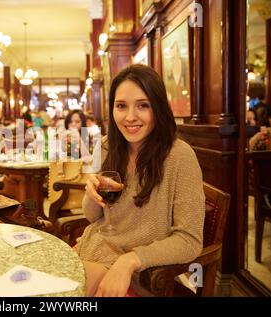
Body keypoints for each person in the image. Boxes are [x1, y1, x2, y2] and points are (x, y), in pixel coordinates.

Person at [77, 64, 205, 297]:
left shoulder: (179, 156)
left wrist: (130, 261)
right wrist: (91, 193)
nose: (130, 117)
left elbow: (189, 241)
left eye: (143, 106)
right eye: (121, 106)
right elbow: (92, 216)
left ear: (158, 107)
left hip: (147, 272)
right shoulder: (106, 146)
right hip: (96, 249)